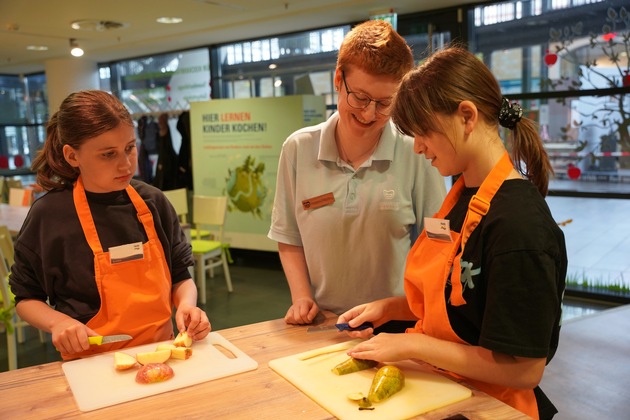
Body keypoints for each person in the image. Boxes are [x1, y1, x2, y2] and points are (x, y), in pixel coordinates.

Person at [338, 46, 567, 420]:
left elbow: (525, 369)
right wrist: (390, 309)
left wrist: (416, 347)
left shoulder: (520, 229)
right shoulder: (462, 197)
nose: (417, 147)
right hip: (447, 389)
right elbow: (463, 304)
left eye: (424, 132)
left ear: (466, 116)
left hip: (493, 407)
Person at [8, 90, 210, 360]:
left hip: (162, 352)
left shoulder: (154, 202)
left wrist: (187, 305)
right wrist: (58, 323)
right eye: (108, 154)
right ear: (72, 156)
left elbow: (180, 276)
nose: (125, 164)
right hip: (90, 363)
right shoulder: (49, 216)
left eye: (130, 147)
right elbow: (26, 298)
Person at [267, 20, 446, 324]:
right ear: (338, 79)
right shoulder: (298, 149)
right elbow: (289, 236)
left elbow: (438, 242)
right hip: (322, 323)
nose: (369, 113)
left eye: (385, 103)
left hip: (397, 323)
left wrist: (407, 305)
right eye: (360, 98)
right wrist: (302, 298)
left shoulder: (415, 152)